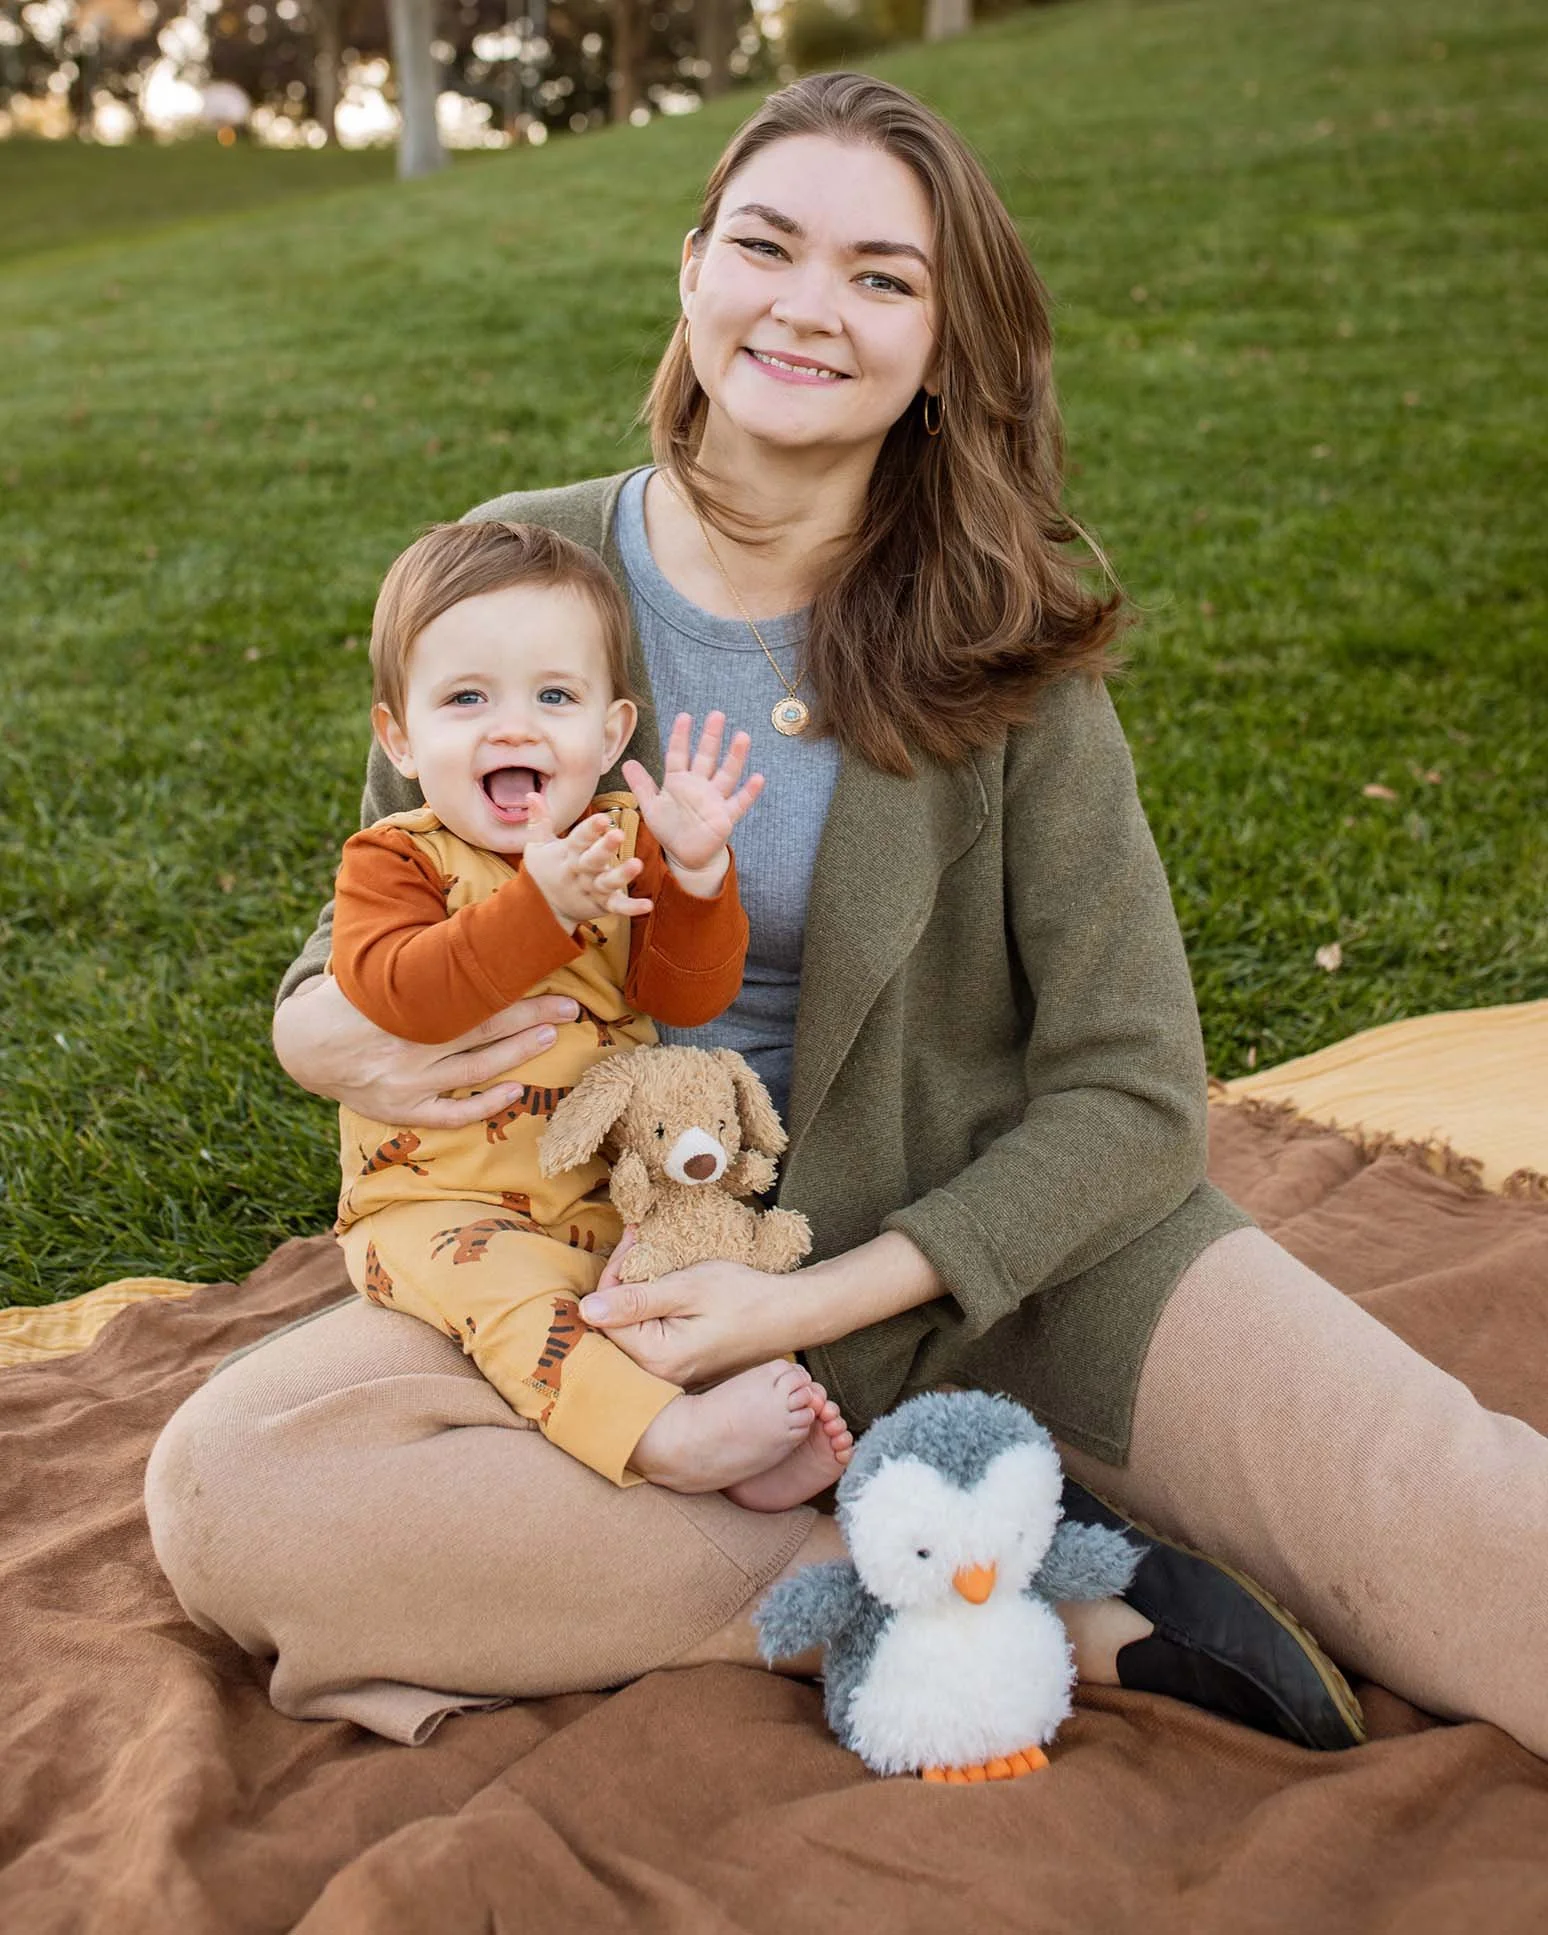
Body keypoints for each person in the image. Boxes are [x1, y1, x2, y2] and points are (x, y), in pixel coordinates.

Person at [146, 72, 1546, 1761]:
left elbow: (1131, 1094)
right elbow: (357, 946)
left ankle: (937, 1516)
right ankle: (929, 1594)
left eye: (882, 277)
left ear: (944, 346)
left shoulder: (997, 642)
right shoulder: (518, 573)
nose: (809, 307)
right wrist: (330, 1042)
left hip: (998, 1265)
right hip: (599, 1281)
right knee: (231, 1492)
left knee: (1463, 1530)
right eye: (767, 245)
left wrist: (805, 1307)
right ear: (690, 271)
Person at [328, 517, 853, 1503]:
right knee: (518, 1304)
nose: (514, 727)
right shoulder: (397, 860)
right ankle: (663, 1440)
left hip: (615, 1189)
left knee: (695, 1270)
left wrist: (697, 879)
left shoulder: (622, 842)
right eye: (467, 698)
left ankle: (750, 1444)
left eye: (554, 697)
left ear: (611, 735)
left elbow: (684, 996)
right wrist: (542, 910)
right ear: (399, 735)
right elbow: (403, 992)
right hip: (444, 1205)